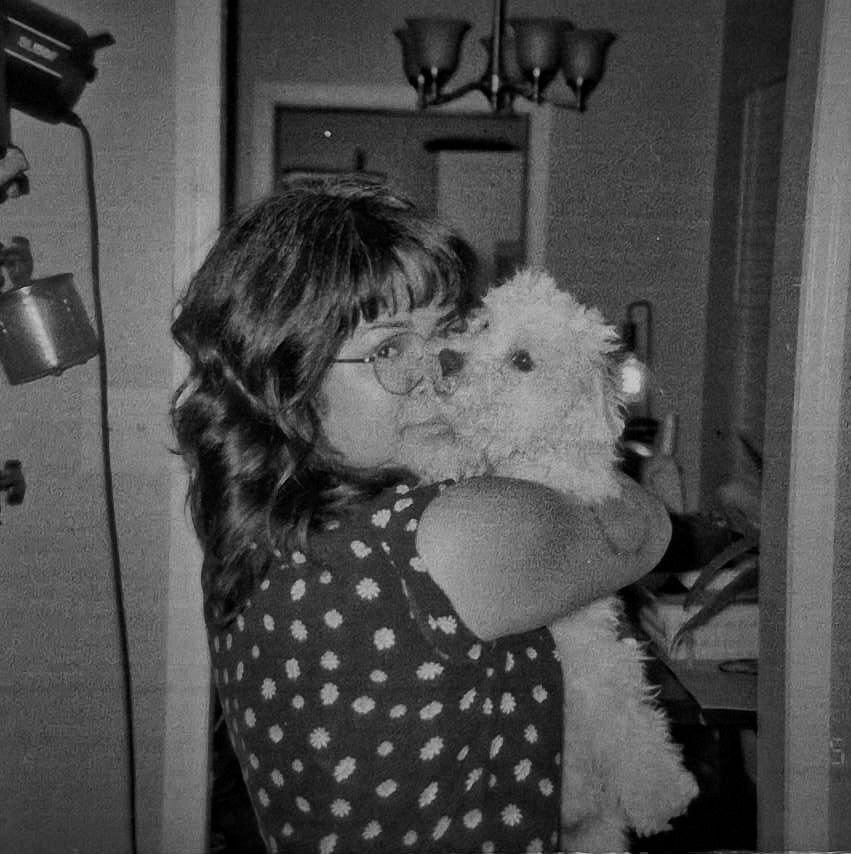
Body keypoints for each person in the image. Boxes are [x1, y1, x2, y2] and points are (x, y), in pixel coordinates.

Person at [170, 176, 671, 854]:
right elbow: (644, 530)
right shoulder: (436, 537)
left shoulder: (259, 530)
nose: (437, 373)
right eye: (387, 349)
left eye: (442, 334)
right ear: (288, 379)